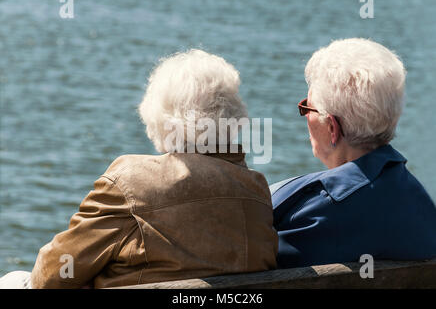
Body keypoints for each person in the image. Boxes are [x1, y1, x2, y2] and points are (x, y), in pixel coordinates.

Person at [0, 49, 277, 288]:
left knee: (13, 281)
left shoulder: (131, 181)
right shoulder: (255, 189)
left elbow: (52, 275)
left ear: (159, 117)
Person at [270, 38, 436, 269]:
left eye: (307, 107)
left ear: (332, 128)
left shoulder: (303, 211)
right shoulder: (422, 206)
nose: (305, 116)